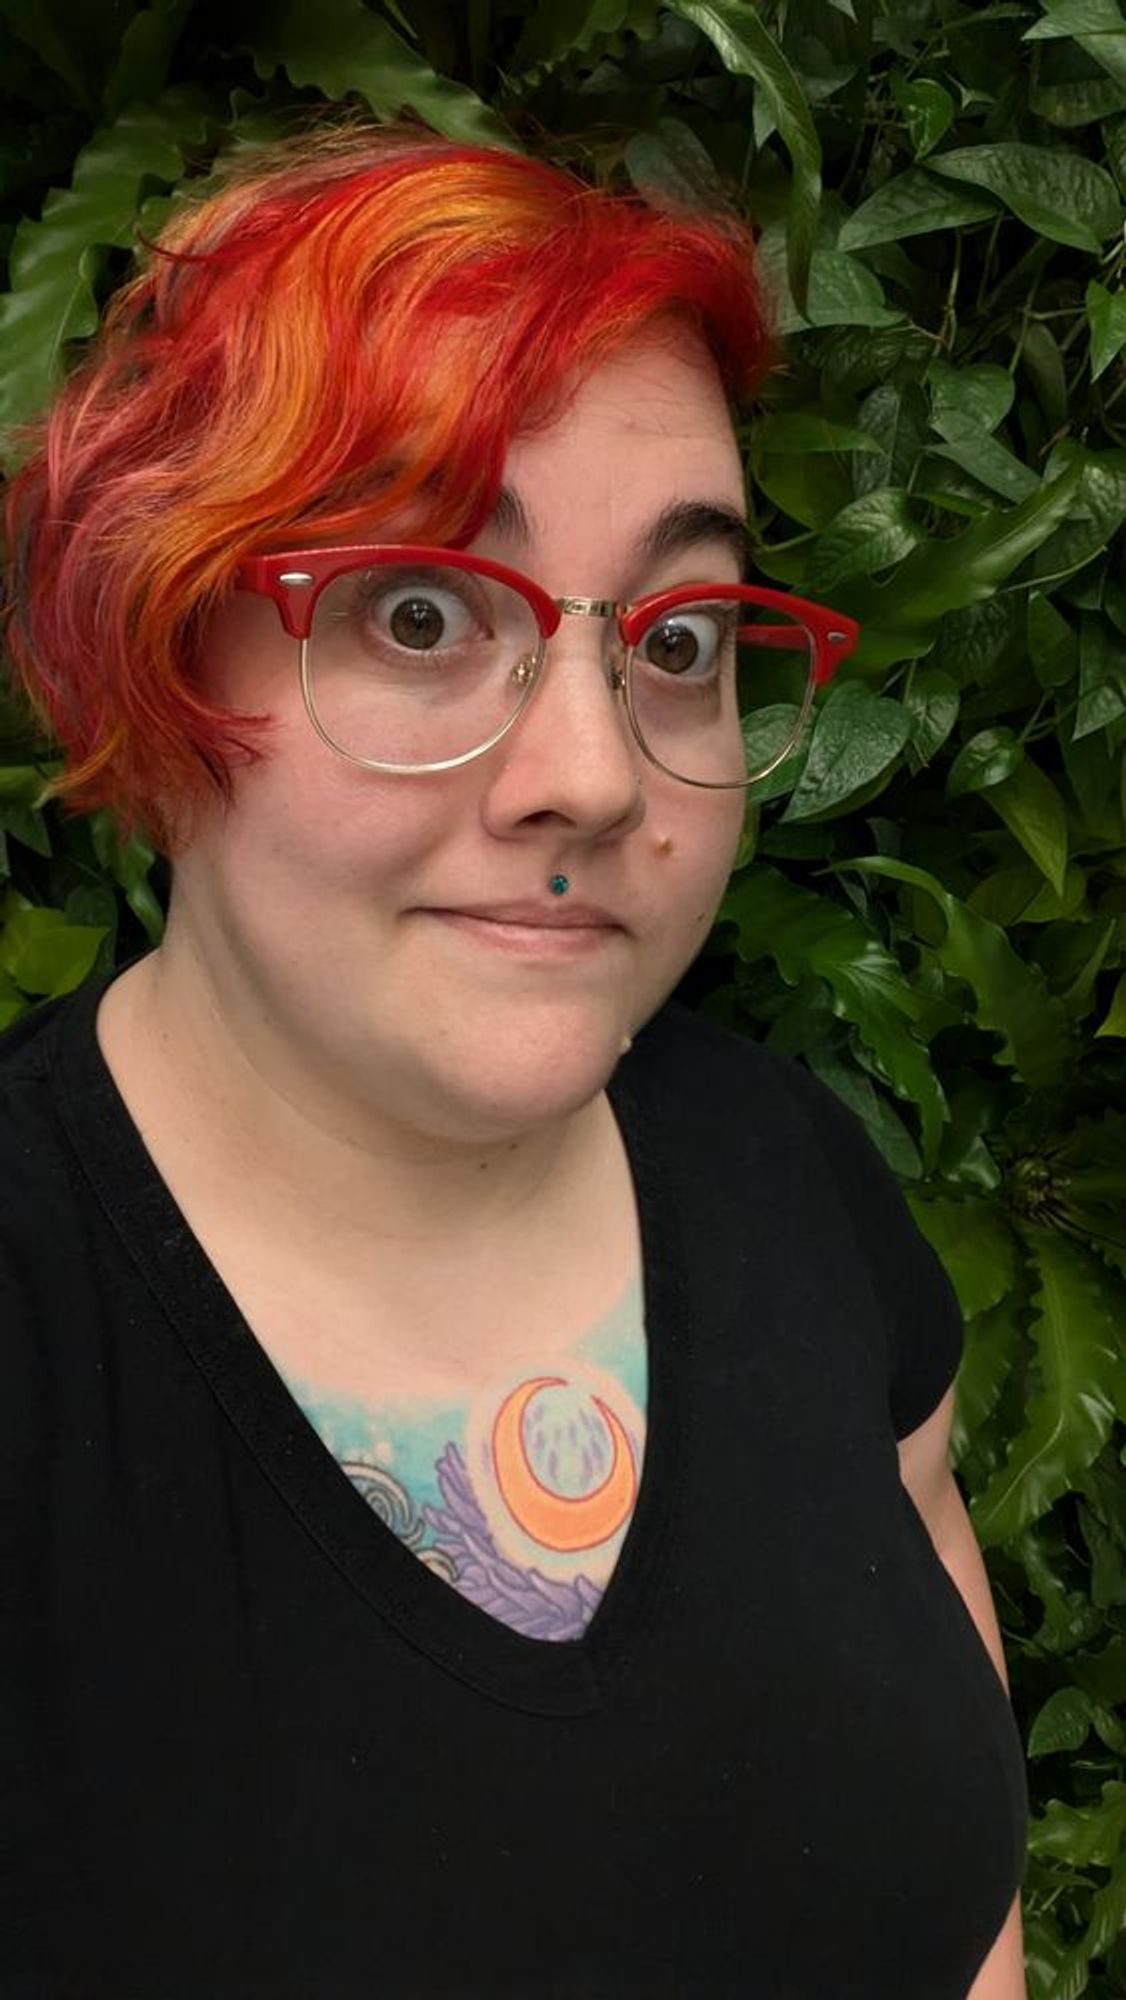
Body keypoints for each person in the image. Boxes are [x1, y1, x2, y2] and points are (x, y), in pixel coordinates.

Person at [1, 124, 1027, 1997]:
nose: (598, 771)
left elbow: (946, 1846)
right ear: (154, 639)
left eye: (683, 634)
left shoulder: (779, 1163)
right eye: (417, 613)